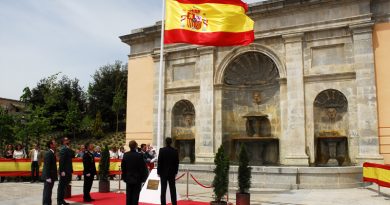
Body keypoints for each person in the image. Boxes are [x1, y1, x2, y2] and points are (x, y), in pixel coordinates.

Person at [121, 140, 148, 205]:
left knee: (129, 195)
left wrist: (124, 177)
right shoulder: (139, 155)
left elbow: (123, 167)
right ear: (136, 146)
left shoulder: (126, 155)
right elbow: (143, 168)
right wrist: (143, 178)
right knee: (135, 196)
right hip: (137, 178)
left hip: (128, 178)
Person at [158, 137, 179, 205]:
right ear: (171, 142)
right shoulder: (175, 151)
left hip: (163, 173)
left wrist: (158, 172)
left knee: (163, 190)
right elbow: (177, 163)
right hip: (172, 173)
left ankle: (163, 203)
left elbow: (159, 162)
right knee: (173, 189)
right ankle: (174, 203)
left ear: (165, 142)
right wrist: (176, 172)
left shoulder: (162, 150)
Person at [57, 137, 73, 205]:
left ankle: (61, 200)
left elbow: (73, 155)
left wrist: (69, 148)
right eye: (66, 140)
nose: (68, 141)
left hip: (67, 170)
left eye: (68, 139)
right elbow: (61, 160)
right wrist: (62, 171)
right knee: (61, 186)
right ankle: (59, 201)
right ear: (63, 142)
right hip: (64, 171)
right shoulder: (63, 149)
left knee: (64, 186)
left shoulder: (67, 148)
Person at [42, 139, 58, 205]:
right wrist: (48, 177)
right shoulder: (49, 153)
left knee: (49, 191)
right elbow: (47, 166)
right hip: (49, 176)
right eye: (54, 143)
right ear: (51, 145)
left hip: (51, 175)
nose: (56, 144)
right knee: (47, 191)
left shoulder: (52, 153)